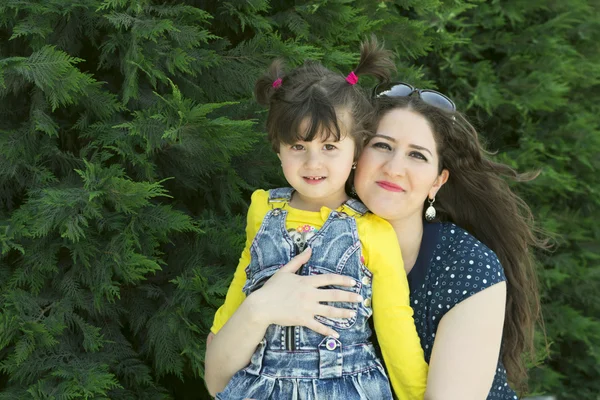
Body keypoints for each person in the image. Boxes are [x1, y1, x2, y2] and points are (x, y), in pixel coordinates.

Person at [204, 39, 428, 399]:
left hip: (345, 386)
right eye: (298, 147)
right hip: (262, 384)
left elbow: (396, 327)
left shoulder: (372, 230)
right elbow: (242, 282)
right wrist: (221, 332)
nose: (313, 164)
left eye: (329, 147)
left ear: (356, 150)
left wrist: (419, 395)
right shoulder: (263, 209)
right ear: (277, 147)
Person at [351, 81, 545, 399]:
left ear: (437, 182)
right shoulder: (312, 237)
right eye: (382, 145)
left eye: (417, 155)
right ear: (357, 154)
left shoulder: (466, 266)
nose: (394, 167)